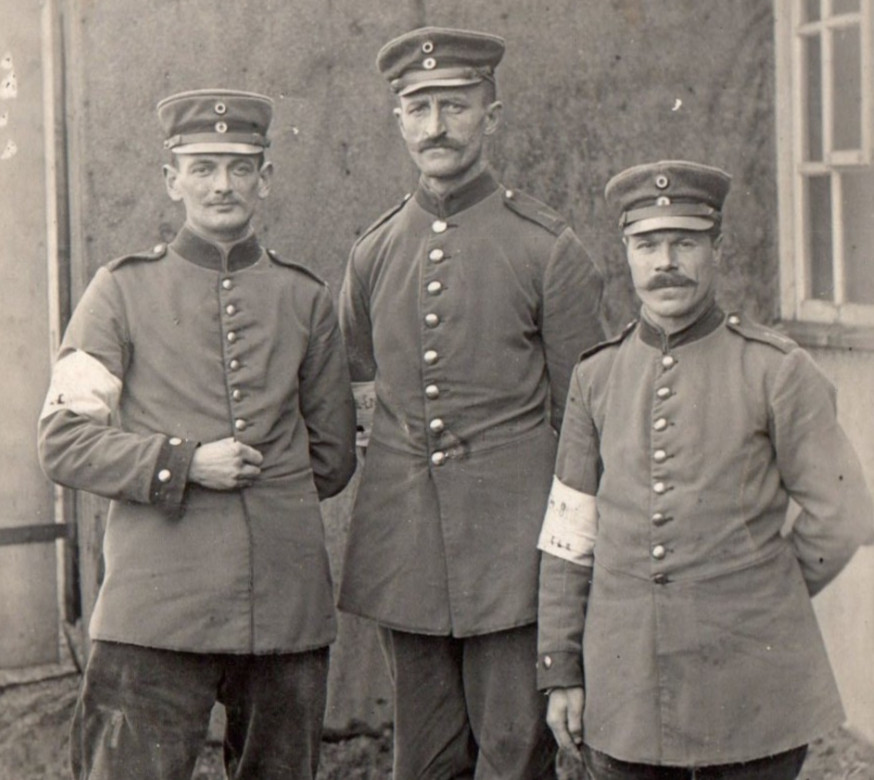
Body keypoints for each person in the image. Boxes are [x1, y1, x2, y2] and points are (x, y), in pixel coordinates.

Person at [38, 89, 356, 780]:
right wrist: (182, 463)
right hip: (155, 609)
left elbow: (333, 457)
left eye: (240, 167)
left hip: (283, 609)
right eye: (203, 167)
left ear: (265, 179)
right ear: (171, 179)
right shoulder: (119, 291)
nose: (222, 185)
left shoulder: (305, 298)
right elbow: (63, 440)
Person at [536, 159, 874, 780]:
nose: (665, 262)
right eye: (648, 245)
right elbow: (569, 535)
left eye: (685, 243)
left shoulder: (776, 370)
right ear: (627, 253)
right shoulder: (596, 377)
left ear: (717, 249)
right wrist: (560, 667)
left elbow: (844, 511)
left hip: (751, 687)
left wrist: (761, 590)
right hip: (626, 686)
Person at [338, 26, 605, 780]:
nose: (436, 126)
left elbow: (584, 426)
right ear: (398, 120)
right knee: (423, 762)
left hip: (514, 559)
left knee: (516, 756)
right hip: (408, 555)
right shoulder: (373, 253)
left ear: (492, 114)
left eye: (455, 105)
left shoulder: (547, 249)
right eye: (419, 108)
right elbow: (364, 400)